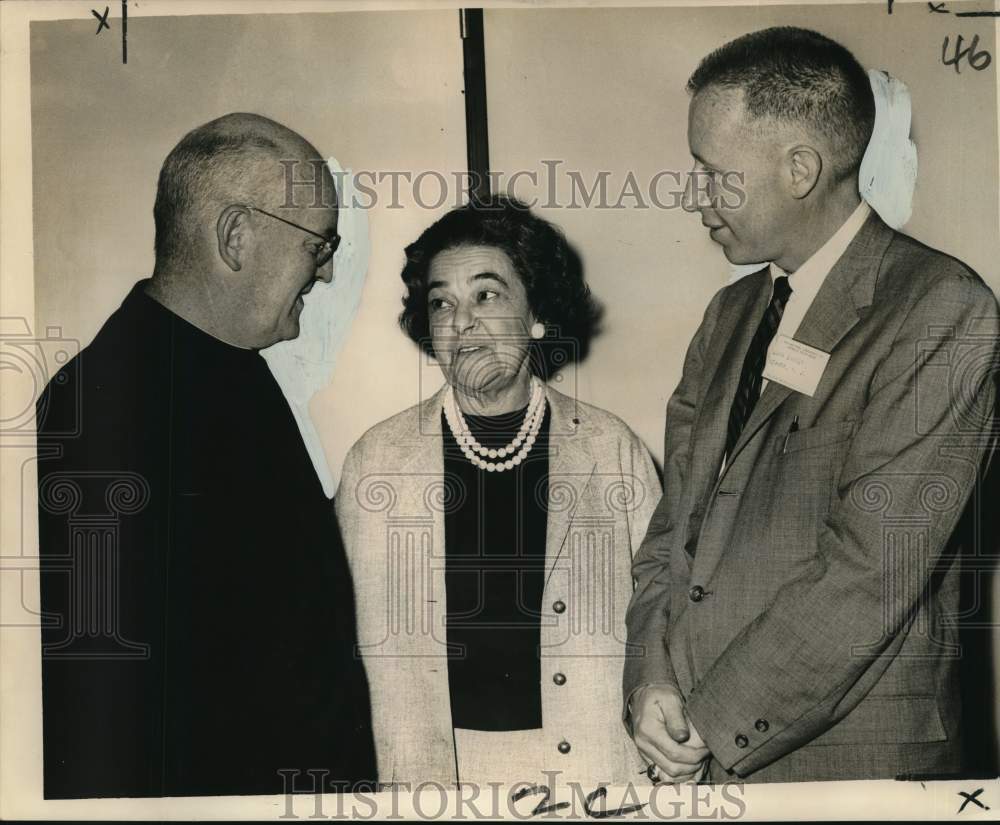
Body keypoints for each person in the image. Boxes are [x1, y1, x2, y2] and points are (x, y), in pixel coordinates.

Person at [624, 27, 1000, 784]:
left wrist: (707, 719)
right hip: (705, 756)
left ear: (801, 169)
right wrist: (650, 677)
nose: (695, 195)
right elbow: (671, 535)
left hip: (850, 768)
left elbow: (871, 571)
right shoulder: (728, 315)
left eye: (715, 174)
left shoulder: (942, 310)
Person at [35, 112, 376, 798]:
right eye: (319, 243)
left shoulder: (227, 364)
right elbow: (105, 704)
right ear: (235, 236)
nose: (329, 268)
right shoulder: (103, 406)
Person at [336, 195, 660, 787]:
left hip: (591, 774)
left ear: (535, 311)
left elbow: (662, 617)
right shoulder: (376, 463)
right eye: (442, 303)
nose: (462, 323)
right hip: (426, 778)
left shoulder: (614, 451)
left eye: (486, 295)